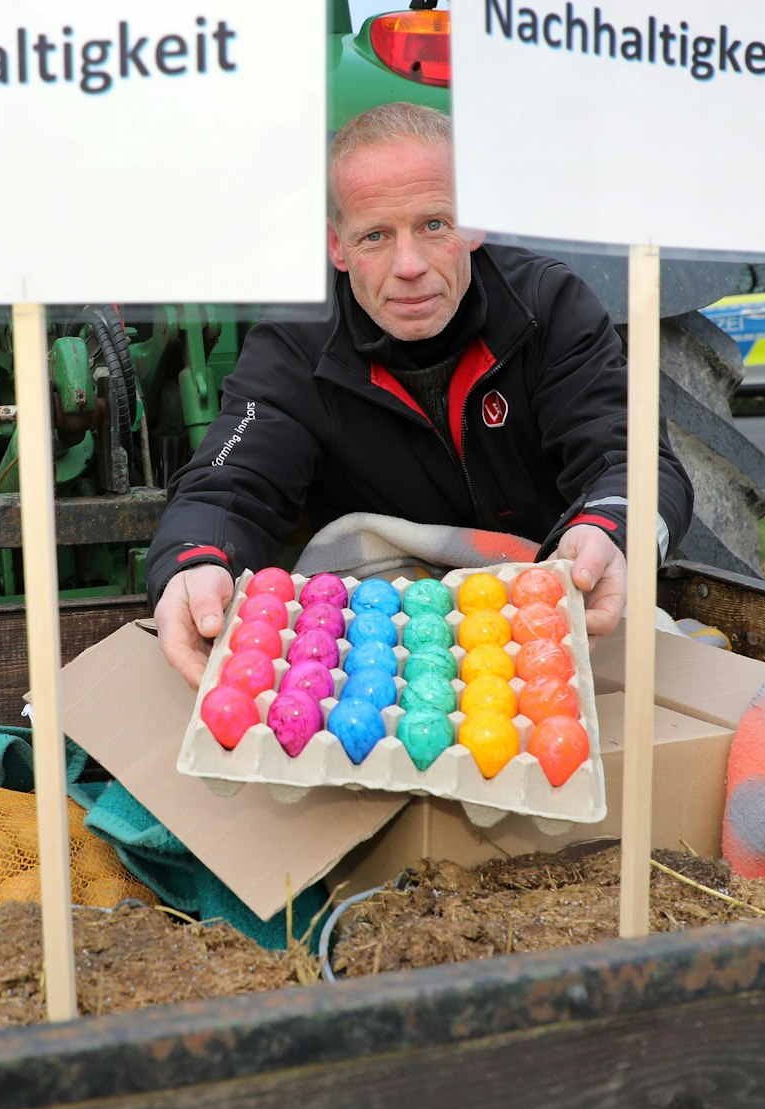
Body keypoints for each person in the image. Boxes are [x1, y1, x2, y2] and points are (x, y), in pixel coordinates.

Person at [145, 102, 695, 685]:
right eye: (376, 236)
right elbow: (226, 483)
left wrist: (608, 530)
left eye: (435, 225)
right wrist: (194, 558)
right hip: (381, 646)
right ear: (336, 245)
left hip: (554, 614)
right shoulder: (295, 347)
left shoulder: (545, 307)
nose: (408, 266)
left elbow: (631, 461)